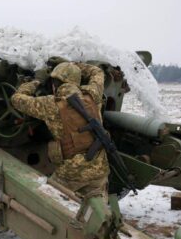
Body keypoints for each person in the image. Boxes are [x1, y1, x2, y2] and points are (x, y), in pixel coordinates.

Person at [11, 61, 109, 200]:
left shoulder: (50, 105)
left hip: (71, 174)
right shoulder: (93, 94)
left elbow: (16, 99)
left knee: (48, 204)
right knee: (95, 212)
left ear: (53, 85)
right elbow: (98, 72)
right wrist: (76, 66)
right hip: (100, 170)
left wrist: (36, 81)